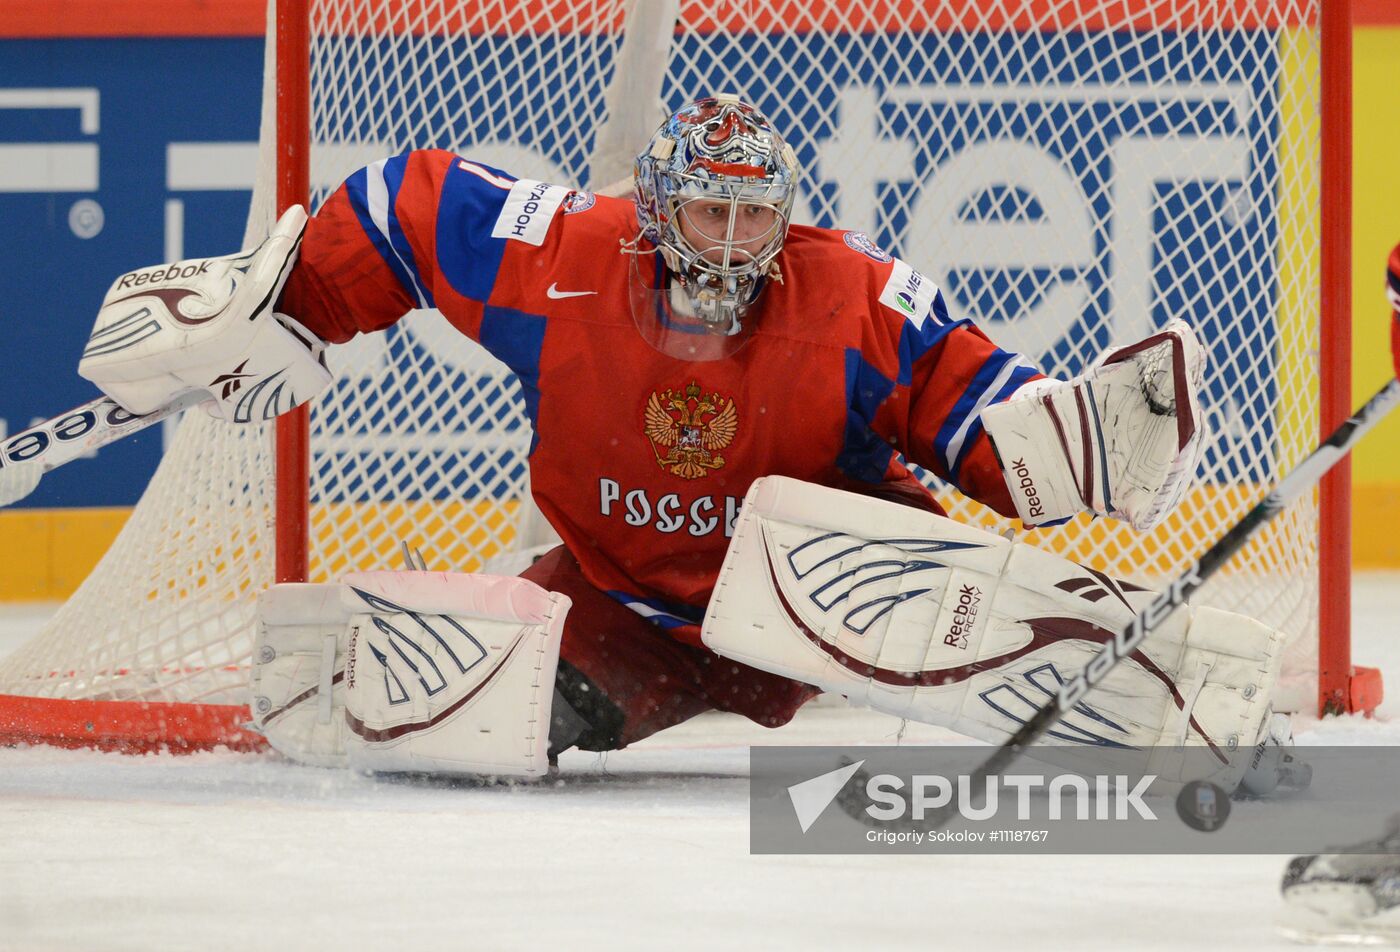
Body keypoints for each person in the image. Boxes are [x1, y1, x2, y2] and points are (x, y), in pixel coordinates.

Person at [75, 95, 1296, 791]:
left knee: (868, 574)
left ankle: (1157, 686)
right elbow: (408, 207)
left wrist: (1069, 441)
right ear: (656, 208)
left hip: (822, 582)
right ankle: (574, 678)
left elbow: (967, 402)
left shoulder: (849, 295)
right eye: (707, 210)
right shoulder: (560, 261)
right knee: (489, 709)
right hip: (622, 606)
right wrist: (288, 302)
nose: (728, 240)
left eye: (752, 215)